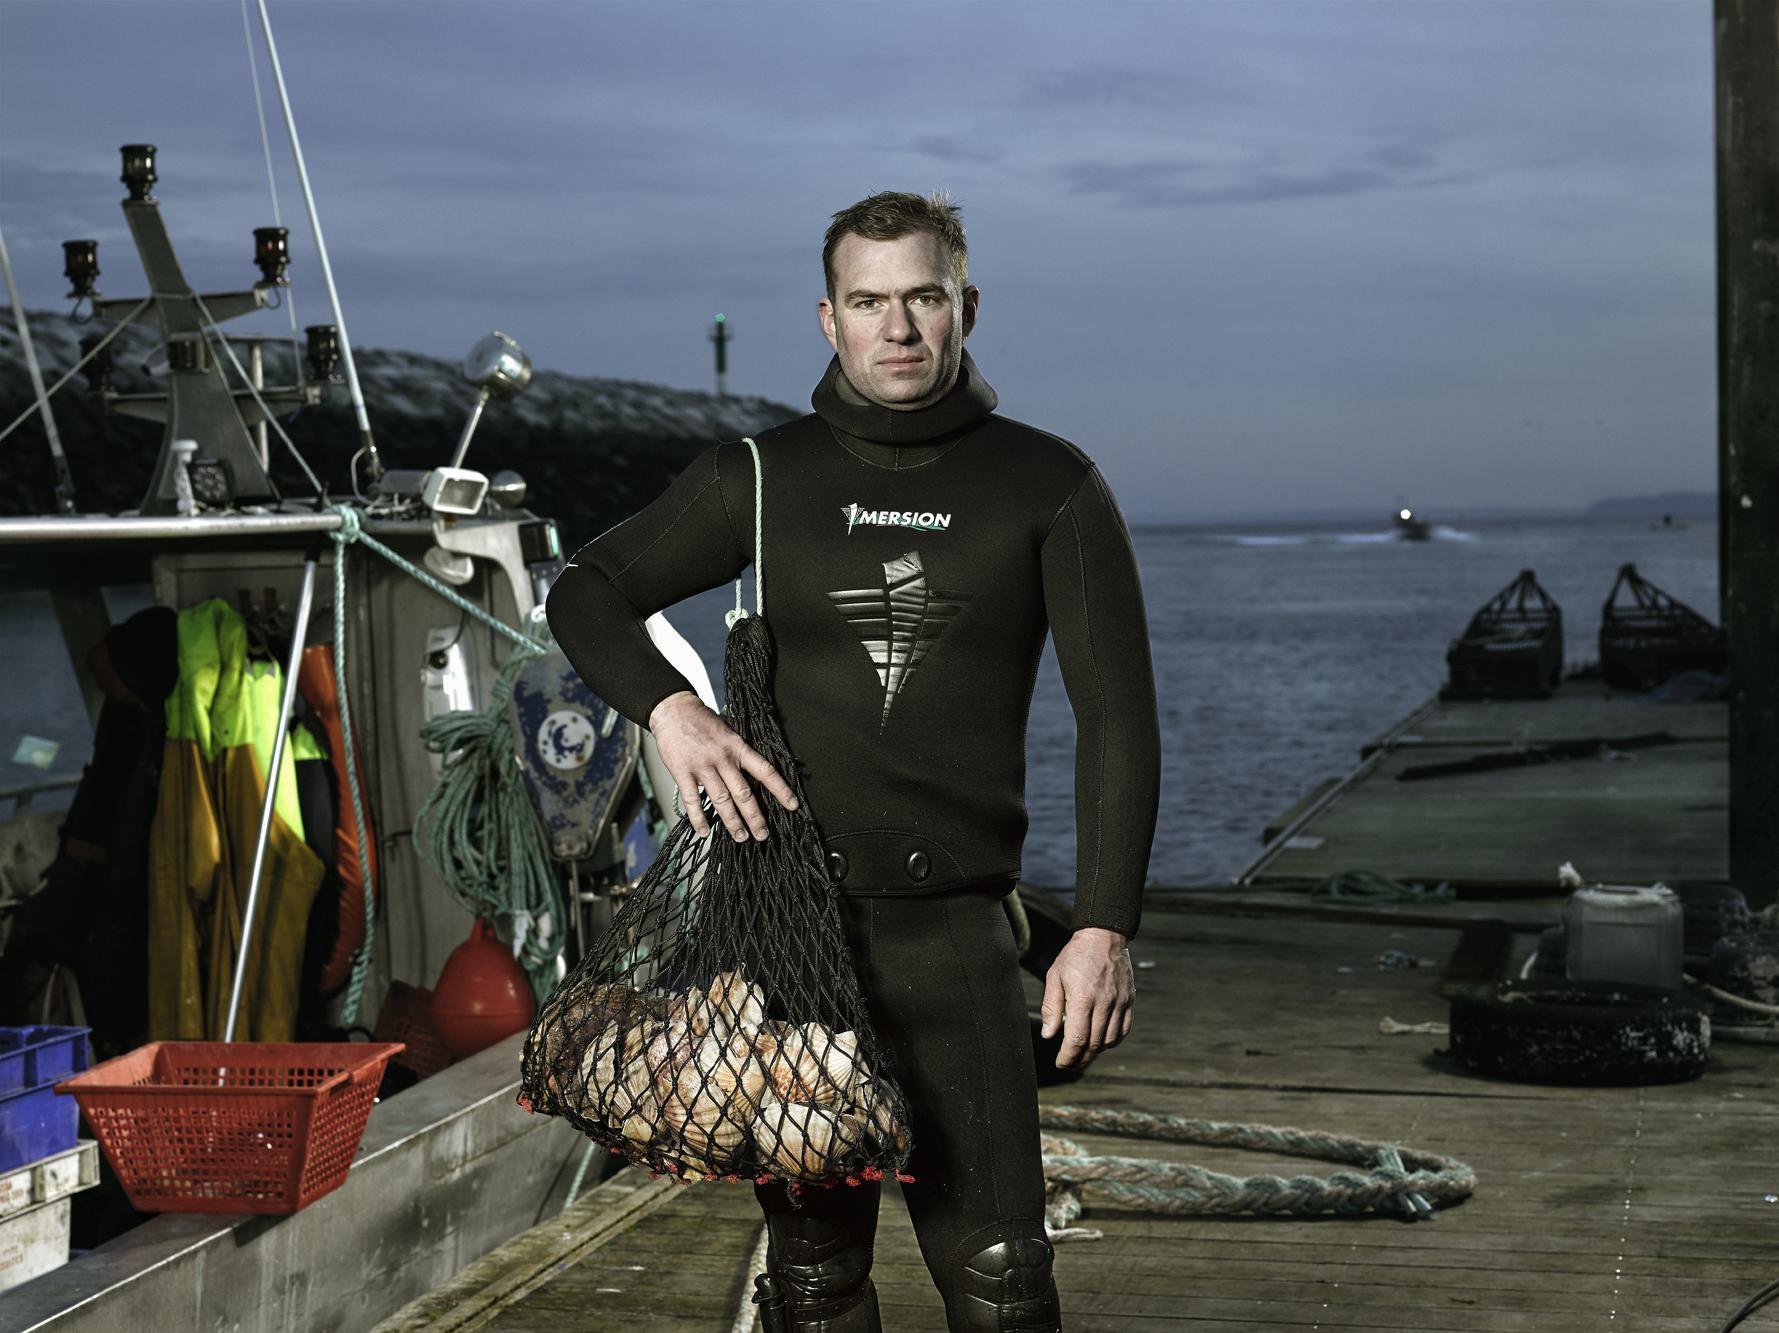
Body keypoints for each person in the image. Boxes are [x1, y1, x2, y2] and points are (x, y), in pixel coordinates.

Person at [546, 191, 1160, 1332]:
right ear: (828, 319)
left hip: (956, 938)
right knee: (815, 1284)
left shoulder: (1047, 485)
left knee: (1003, 1278)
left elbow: (1116, 715)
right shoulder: (757, 478)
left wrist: (1102, 926)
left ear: (965, 305)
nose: (899, 327)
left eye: (923, 297)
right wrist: (671, 710)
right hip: (787, 940)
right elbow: (585, 589)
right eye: (869, 302)